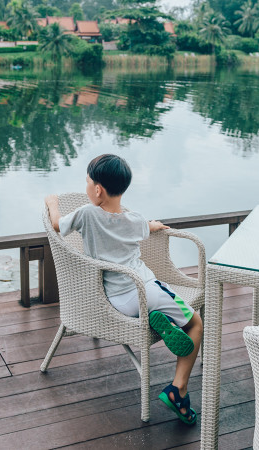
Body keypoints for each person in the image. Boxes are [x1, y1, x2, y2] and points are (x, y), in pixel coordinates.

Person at [44, 154, 203, 425]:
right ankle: (179, 389)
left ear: (97, 190)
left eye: (87, 183)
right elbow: (147, 227)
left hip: (114, 299)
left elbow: (58, 226)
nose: (86, 188)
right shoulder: (134, 219)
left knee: (167, 307)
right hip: (144, 289)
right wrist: (154, 225)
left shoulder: (85, 214)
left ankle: (159, 323)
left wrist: (52, 203)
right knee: (196, 323)